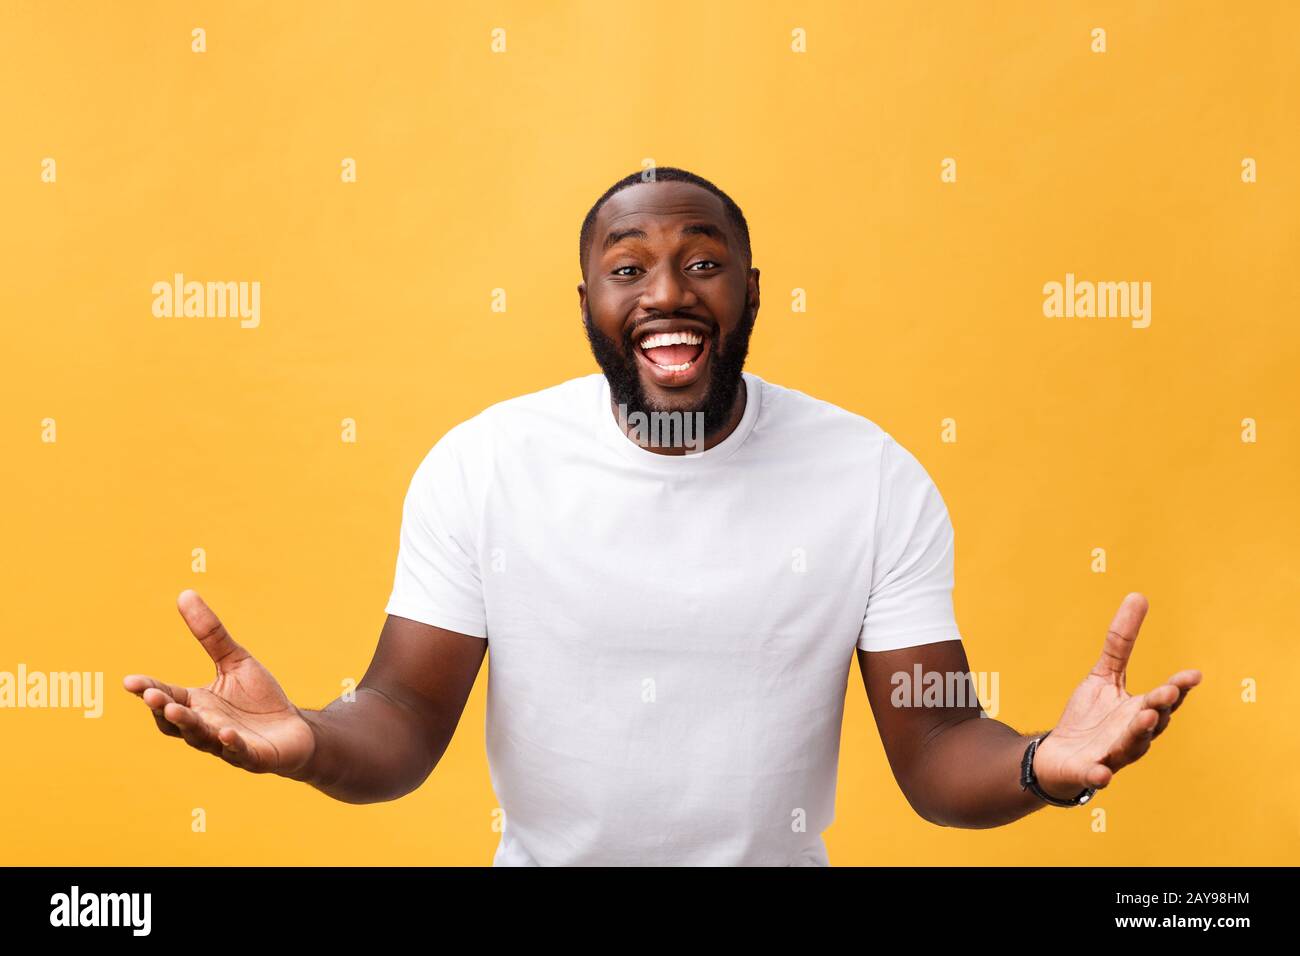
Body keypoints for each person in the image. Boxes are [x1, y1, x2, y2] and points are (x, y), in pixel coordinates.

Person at [124, 167, 1202, 866]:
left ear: (750, 291)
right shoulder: (485, 464)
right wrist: (305, 738)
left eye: (702, 261)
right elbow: (403, 717)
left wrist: (1038, 765)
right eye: (626, 268)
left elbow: (936, 747)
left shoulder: (870, 475)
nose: (666, 290)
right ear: (589, 304)